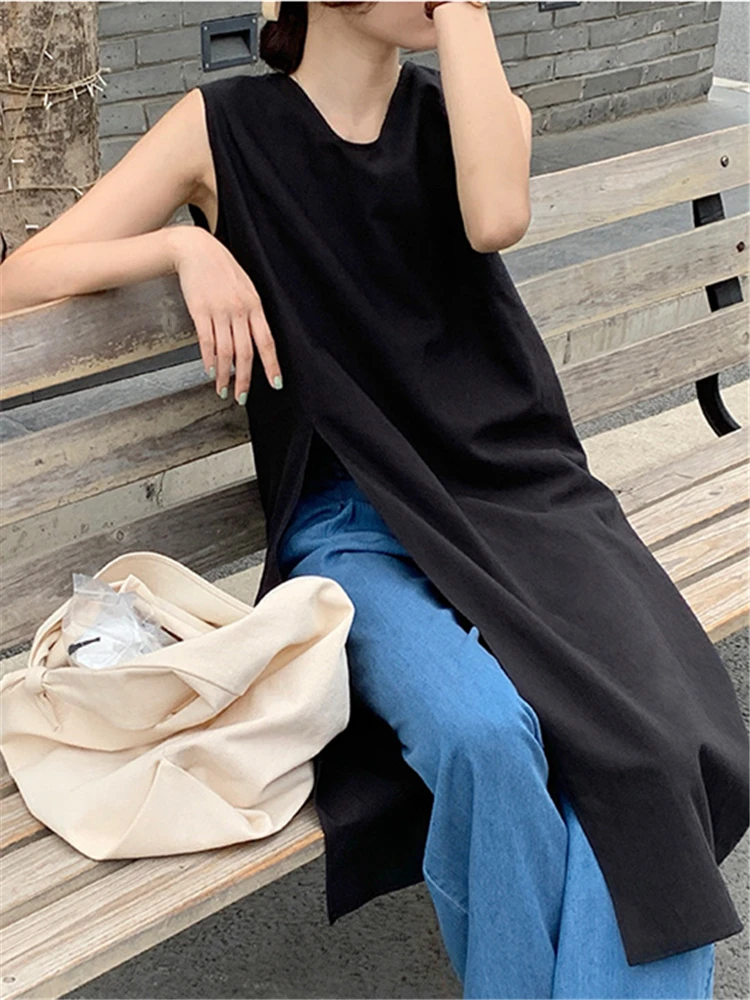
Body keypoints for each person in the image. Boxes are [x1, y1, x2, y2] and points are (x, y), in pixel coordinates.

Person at [2, 3, 742, 997]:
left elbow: (496, 218)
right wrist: (184, 250)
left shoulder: (470, 112)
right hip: (352, 527)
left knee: (648, 756)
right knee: (485, 736)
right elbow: (23, 275)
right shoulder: (223, 127)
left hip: (518, 501)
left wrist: (462, 16)